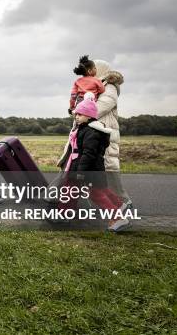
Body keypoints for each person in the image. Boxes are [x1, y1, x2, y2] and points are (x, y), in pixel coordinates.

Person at [58, 59, 132, 206]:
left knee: (107, 172)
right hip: (88, 131)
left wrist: (79, 110)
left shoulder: (109, 87)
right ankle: (70, 203)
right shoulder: (91, 85)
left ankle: (123, 202)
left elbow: (97, 109)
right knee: (80, 168)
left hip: (101, 133)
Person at [60, 94, 130, 232]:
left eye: (80, 114)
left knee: (96, 194)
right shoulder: (86, 129)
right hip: (91, 168)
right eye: (76, 114)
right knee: (94, 190)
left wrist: (80, 171)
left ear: (89, 115)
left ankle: (118, 218)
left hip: (89, 169)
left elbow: (88, 154)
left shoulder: (91, 132)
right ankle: (119, 206)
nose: (77, 117)